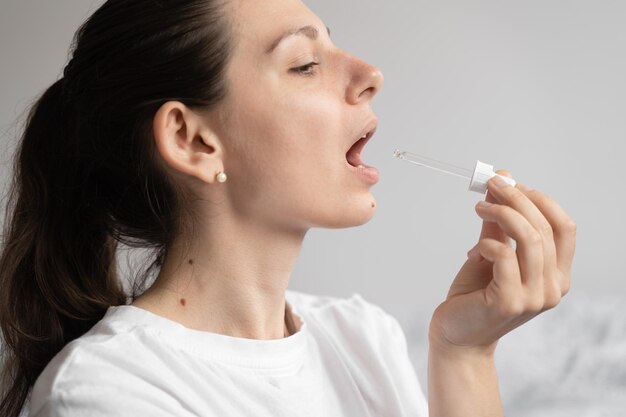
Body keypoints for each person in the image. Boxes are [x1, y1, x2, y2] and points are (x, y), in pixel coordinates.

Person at [0, 0, 576, 416]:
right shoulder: (109, 395)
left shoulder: (361, 338)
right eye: (304, 64)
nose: (371, 75)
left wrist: (466, 354)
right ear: (193, 140)